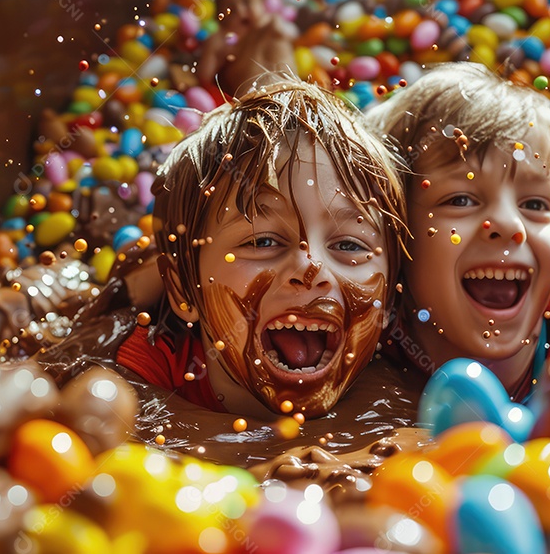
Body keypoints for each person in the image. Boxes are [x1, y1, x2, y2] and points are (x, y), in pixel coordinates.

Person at [115, 78, 408, 419]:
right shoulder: (145, 376)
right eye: (262, 241)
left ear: (390, 296)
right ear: (184, 291)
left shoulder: (401, 383)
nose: (311, 267)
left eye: (348, 244)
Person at [365, 62, 550, 403]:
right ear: (395, 241)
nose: (510, 226)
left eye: (535, 204)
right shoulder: (359, 357)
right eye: (461, 200)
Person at [197, 0, 298, 97]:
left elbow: (290, 33)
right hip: (252, 105)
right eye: (231, 11)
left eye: (246, 1)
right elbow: (203, 79)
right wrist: (211, 50)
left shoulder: (273, 26)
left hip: (294, 97)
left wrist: (270, 22)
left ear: (263, 3)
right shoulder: (229, 51)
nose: (240, 11)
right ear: (223, 24)